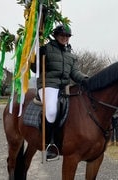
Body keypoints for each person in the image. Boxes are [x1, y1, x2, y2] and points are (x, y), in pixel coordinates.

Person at [30, 24, 88, 160]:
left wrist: (85, 79)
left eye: (67, 36)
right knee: (50, 111)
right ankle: (50, 144)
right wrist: (37, 54)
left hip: (64, 87)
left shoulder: (71, 55)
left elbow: (74, 73)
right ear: (56, 35)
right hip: (48, 85)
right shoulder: (46, 49)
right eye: (62, 35)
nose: (65, 38)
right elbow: (34, 68)